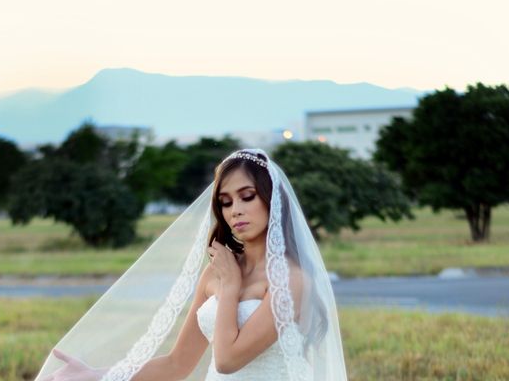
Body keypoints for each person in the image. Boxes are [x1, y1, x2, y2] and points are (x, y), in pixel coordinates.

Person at [36, 148, 347, 381]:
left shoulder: (291, 279)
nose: (235, 210)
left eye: (247, 196)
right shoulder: (216, 273)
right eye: (225, 201)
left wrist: (230, 289)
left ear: (271, 199)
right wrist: (98, 376)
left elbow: (227, 360)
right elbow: (177, 365)